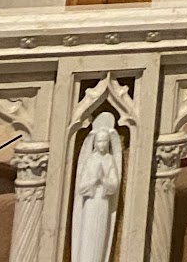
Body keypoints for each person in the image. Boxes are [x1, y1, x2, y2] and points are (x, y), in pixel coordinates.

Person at [70, 112, 122, 262]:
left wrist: (104, 180)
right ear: (94, 142)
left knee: (100, 238)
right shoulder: (91, 160)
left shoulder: (110, 160)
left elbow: (114, 186)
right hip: (90, 204)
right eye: (99, 141)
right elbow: (81, 187)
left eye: (105, 141)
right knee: (87, 236)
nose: (102, 145)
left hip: (103, 203)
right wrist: (94, 180)